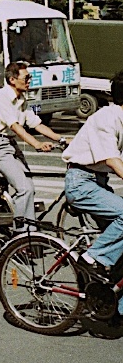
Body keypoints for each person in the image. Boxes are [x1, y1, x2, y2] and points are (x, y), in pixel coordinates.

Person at [62, 70, 123, 299]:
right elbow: (112, 159)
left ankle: (113, 306)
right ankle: (91, 257)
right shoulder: (106, 118)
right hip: (81, 183)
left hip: (98, 182)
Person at [0, 61, 66, 225]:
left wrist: (61, 139)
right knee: (25, 189)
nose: (30, 81)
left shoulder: (22, 99)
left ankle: (9, 215)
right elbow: (15, 126)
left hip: (10, 145)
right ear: (13, 79)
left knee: (29, 186)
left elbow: (36, 123)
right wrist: (36, 144)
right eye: (26, 78)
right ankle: (22, 235)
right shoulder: (2, 97)